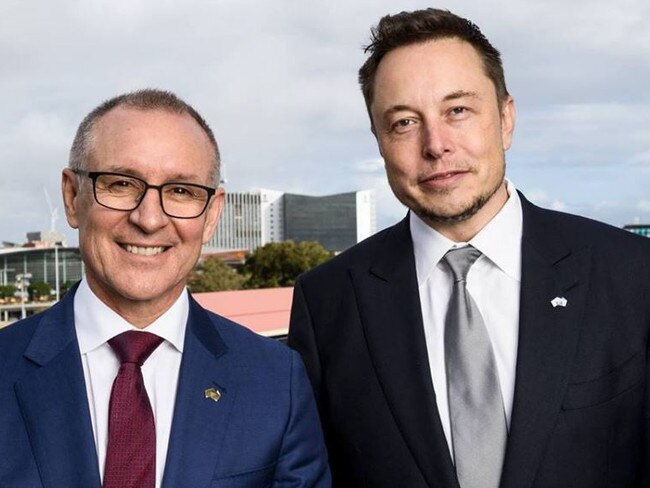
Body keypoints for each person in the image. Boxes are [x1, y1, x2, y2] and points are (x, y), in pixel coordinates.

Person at [288, 8, 650, 488]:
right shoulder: (327, 301)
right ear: (379, 142)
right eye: (403, 122)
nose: (436, 145)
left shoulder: (631, 274)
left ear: (505, 119)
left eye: (457, 110)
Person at [0, 89, 330, 488]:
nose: (149, 218)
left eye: (181, 191)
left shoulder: (276, 382)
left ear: (211, 216)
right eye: (121, 184)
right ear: (72, 197)